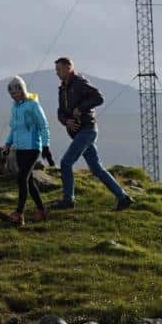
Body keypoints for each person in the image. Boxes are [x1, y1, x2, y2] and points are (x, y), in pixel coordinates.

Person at [52, 55, 133, 212]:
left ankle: (68, 200)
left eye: (59, 69)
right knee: (96, 168)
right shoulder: (62, 88)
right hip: (78, 132)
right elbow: (60, 112)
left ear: (69, 68)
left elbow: (99, 98)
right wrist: (66, 121)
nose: (57, 73)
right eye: (56, 70)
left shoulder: (79, 82)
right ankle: (123, 198)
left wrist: (81, 108)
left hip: (87, 130)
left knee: (65, 162)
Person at [3, 75, 53, 226]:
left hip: (32, 148)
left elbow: (44, 126)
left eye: (16, 92)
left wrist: (45, 146)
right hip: (20, 149)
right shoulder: (15, 107)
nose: (14, 96)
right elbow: (14, 128)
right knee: (29, 182)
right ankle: (42, 211)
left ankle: (19, 214)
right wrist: (7, 144)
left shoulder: (33, 105)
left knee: (21, 179)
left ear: (23, 90)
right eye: (11, 94)